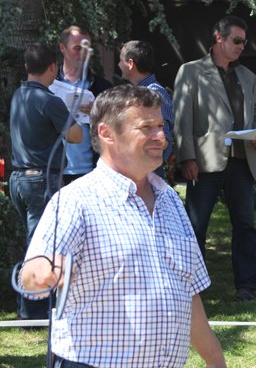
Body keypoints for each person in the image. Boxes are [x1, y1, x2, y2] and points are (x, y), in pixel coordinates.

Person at [20, 85, 226, 367]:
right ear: (107, 133)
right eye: (146, 127)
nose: (161, 137)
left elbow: (188, 293)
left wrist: (215, 360)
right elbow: (32, 275)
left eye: (160, 126)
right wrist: (44, 272)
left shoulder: (170, 200)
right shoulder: (75, 201)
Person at [173, 15, 256, 301]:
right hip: (205, 161)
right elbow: (182, 118)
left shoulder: (248, 76)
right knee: (196, 226)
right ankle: (193, 287)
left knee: (246, 226)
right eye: (237, 40)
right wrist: (187, 157)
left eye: (244, 42)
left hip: (242, 159)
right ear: (218, 38)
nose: (242, 46)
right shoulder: (191, 71)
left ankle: (247, 286)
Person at [9, 43, 83, 321]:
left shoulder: (18, 95)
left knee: (32, 242)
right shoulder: (50, 100)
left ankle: (31, 307)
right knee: (41, 247)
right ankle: (33, 312)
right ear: (53, 67)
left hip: (18, 179)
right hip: (41, 180)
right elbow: (76, 135)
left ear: (26, 67)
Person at [56, 25, 113, 185]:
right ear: (62, 48)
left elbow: (117, 128)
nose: (82, 54)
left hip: (92, 171)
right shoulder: (49, 84)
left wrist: (99, 112)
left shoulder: (102, 87)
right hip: (55, 172)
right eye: (77, 48)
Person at [118, 40, 174, 178]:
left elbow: (164, 140)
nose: (118, 65)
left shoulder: (153, 93)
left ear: (130, 64)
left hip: (148, 171)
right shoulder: (137, 92)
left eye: (120, 60)